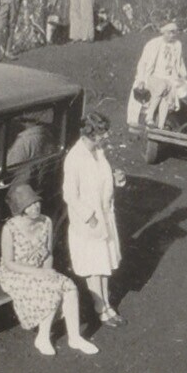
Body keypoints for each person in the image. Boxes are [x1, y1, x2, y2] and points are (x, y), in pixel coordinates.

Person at [0, 183, 99, 356]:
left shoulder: (46, 221)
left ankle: (75, 337)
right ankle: (43, 337)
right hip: (16, 273)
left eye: (36, 202)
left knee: (69, 287)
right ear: (21, 210)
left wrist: (47, 272)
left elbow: (48, 253)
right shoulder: (10, 228)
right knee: (51, 291)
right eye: (29, 205)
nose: (35, 207)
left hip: (40, 269)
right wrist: (40, 274)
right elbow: (8, 263)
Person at [63, 112, 127, 327]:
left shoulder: (99, 151)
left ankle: (107, 305)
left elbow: (101, 178)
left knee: (104, 263)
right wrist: (88, 217)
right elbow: (70, 194)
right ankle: (100, 309)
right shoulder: (74, 158)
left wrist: (116, 178)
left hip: (105, 216)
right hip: (89, 222)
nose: (106, 136)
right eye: (101, 132)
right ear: (88, 133)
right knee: (94, 267)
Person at [126, 22, 187, 128]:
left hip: (169, 77)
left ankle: (160, 125)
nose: (171, 36)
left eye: (174, 33)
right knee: (162, 86)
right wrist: (141, 79)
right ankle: (149, 117)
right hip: (154, 76)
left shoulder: (177, 45)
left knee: (168, 95)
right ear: (163, 32)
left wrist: (184, 75)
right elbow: (143, 63)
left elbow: (180, 61)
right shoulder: (153, 44)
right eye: (169, 33)